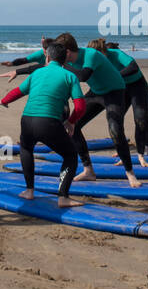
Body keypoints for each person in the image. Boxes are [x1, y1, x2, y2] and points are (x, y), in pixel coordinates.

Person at [0, 40, 85, 205]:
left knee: (26, 148)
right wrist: (71, 122)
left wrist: (4, 101)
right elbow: (80, 106)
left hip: (27, 120)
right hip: (48, 122)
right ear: (65, 59)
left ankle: (29, 191)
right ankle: (63, 197)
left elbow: (18, 91)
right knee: (70, 155)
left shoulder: (37, 73)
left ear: (47, 57)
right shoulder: (69, 76)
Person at [58, 35, 141, 188]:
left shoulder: (91, 54)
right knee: (72, 125)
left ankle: (130, 173)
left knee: (115, 130)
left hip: (114, 91)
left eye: (60, 53)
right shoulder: (69, 60)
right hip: (96, 92)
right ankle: (88, 170)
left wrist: (63, 64)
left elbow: (83, 76)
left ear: (67, 52)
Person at [103, 39, 148, 161]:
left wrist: (115, 75)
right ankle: (121, 148)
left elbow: (133, 67)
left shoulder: (116, 54)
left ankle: (146, 147)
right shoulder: (99, 60)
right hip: (122, 87)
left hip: (137, 85)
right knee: (117, 118)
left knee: (143, 118)